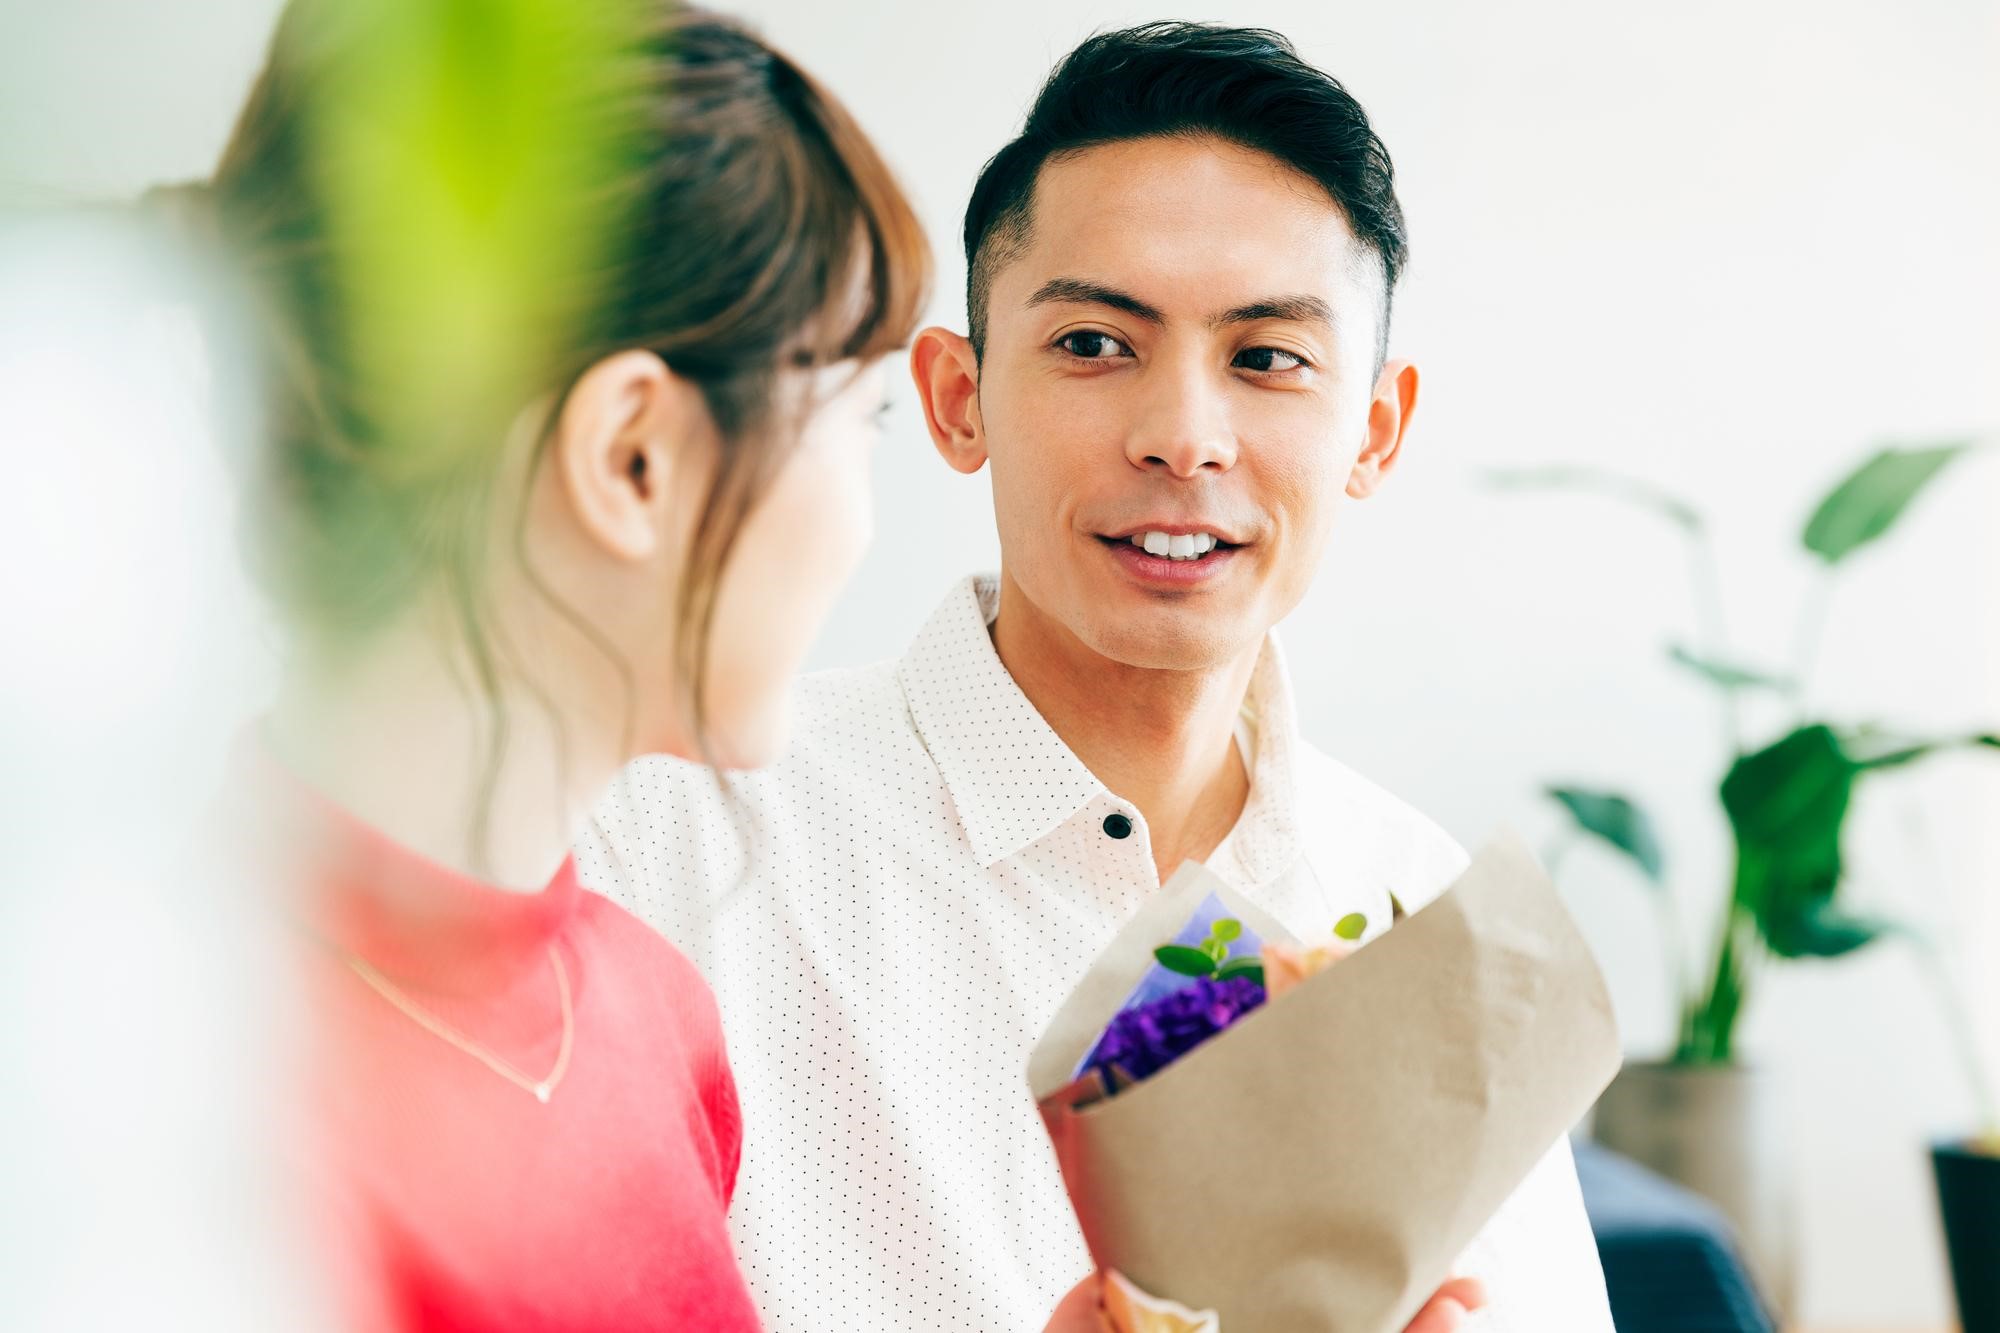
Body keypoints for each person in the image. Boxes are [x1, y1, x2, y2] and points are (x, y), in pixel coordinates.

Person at [582, 21, 1613, 1333]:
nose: (1184, 436)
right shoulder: (669, 842)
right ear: (959, 399)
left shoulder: (1428, 925)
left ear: (1376, 427)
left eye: (1268, 358)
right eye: (1093, 345)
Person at [180, 3, 934, 1326]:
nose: (868, 519)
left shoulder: (661, 1014)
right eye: (862, 415)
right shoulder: (184, 1097)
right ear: (633, 455)